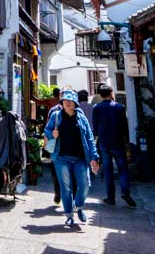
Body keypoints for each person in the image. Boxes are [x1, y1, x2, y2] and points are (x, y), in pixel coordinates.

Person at [47, 89, 100, 227]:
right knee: (66, 188)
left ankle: (79, 205)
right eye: (65, 101)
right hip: (61, 157)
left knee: (84, 186)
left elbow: (89, 138)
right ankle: (69, 215)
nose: (67, 103)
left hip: (80, 158)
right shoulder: (56, 116)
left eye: (70, 101)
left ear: (75, 103)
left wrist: (94, 157)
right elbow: (47, 131)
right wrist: (53, 134)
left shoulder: (81, 117)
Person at [93, 83, 135, 207]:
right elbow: (124, 125)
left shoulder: (97, 108)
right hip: (118, 142)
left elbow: (95, 126)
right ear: (111, 93)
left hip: (104, 143)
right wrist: (126, 140)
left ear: (100, 95)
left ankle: (110, 197)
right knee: (123, 169)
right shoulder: (119, 107)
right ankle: (125, 191)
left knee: (107, 170)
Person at [45, 88, 63, 204]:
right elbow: (47, 129)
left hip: (66, 148)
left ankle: (60, 195)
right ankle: (58, 194)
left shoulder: (76, 112)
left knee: (58, 173)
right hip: (57, 147)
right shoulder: (54, 112)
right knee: (56, 173)